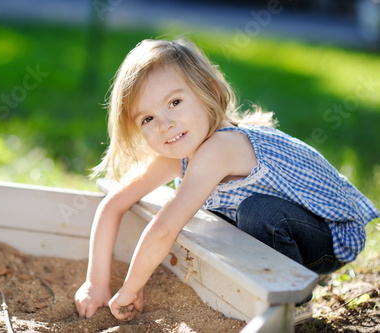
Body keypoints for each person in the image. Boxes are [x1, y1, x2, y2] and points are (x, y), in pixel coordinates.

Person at [74, 38, 380, 321]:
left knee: (256, 212)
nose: (165, 124)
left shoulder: (221, 148)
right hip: (280, 236)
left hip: (326, 238)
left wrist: (130, 289)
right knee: (233, 218)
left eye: (175, 102)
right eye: (148, 119)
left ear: (211, 91)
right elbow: (113, 203)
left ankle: (292, 303)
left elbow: (165, 227)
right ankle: (280, 281)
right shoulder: (178, 152)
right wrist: (95, 283)